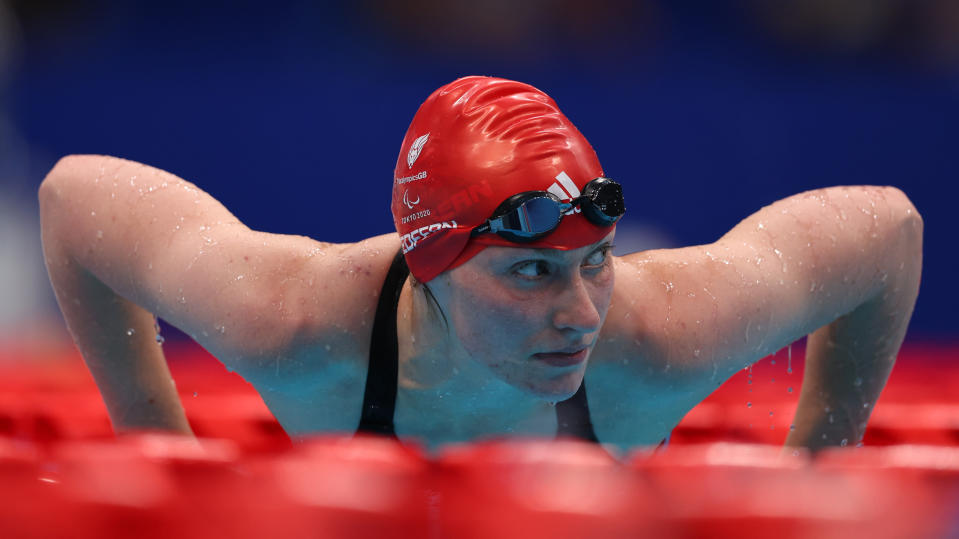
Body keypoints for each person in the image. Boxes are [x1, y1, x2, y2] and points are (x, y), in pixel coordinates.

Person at [38, 76, 922, 454]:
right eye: (532, 273)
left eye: (596, 262)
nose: (581, 312)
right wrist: (151, 437)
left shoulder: (664, 334)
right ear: (429, 266)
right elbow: (73, 196)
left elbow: (886, 228)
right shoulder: (295, 322)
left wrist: (821, 461)